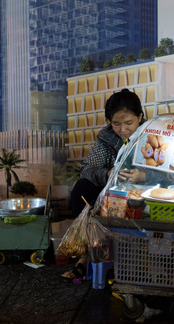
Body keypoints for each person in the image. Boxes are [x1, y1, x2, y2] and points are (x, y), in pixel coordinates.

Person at [63, 88, 147, 281]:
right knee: (82, 188)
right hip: (112, 192)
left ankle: (137, 259)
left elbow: (166, 173)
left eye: (129, 123)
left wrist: (143, 176)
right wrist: (108, 174)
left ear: (140, 117)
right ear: (109, 121)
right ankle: (88, 255)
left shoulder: (152, 134)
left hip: (142, 192)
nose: (123, 130)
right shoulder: (106, 138)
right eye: (116, 123)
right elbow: (87, 169)